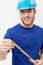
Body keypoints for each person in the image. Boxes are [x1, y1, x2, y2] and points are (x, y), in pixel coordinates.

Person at [0, 0, 43, 65]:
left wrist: (42, 60)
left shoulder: (41, 31)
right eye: (22, 12)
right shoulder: (11, 32)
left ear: (34, 11)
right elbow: (2, 57)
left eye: (29, 11)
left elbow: (42, 50)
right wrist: (1, 50)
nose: (26, 15)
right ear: (19, 13)